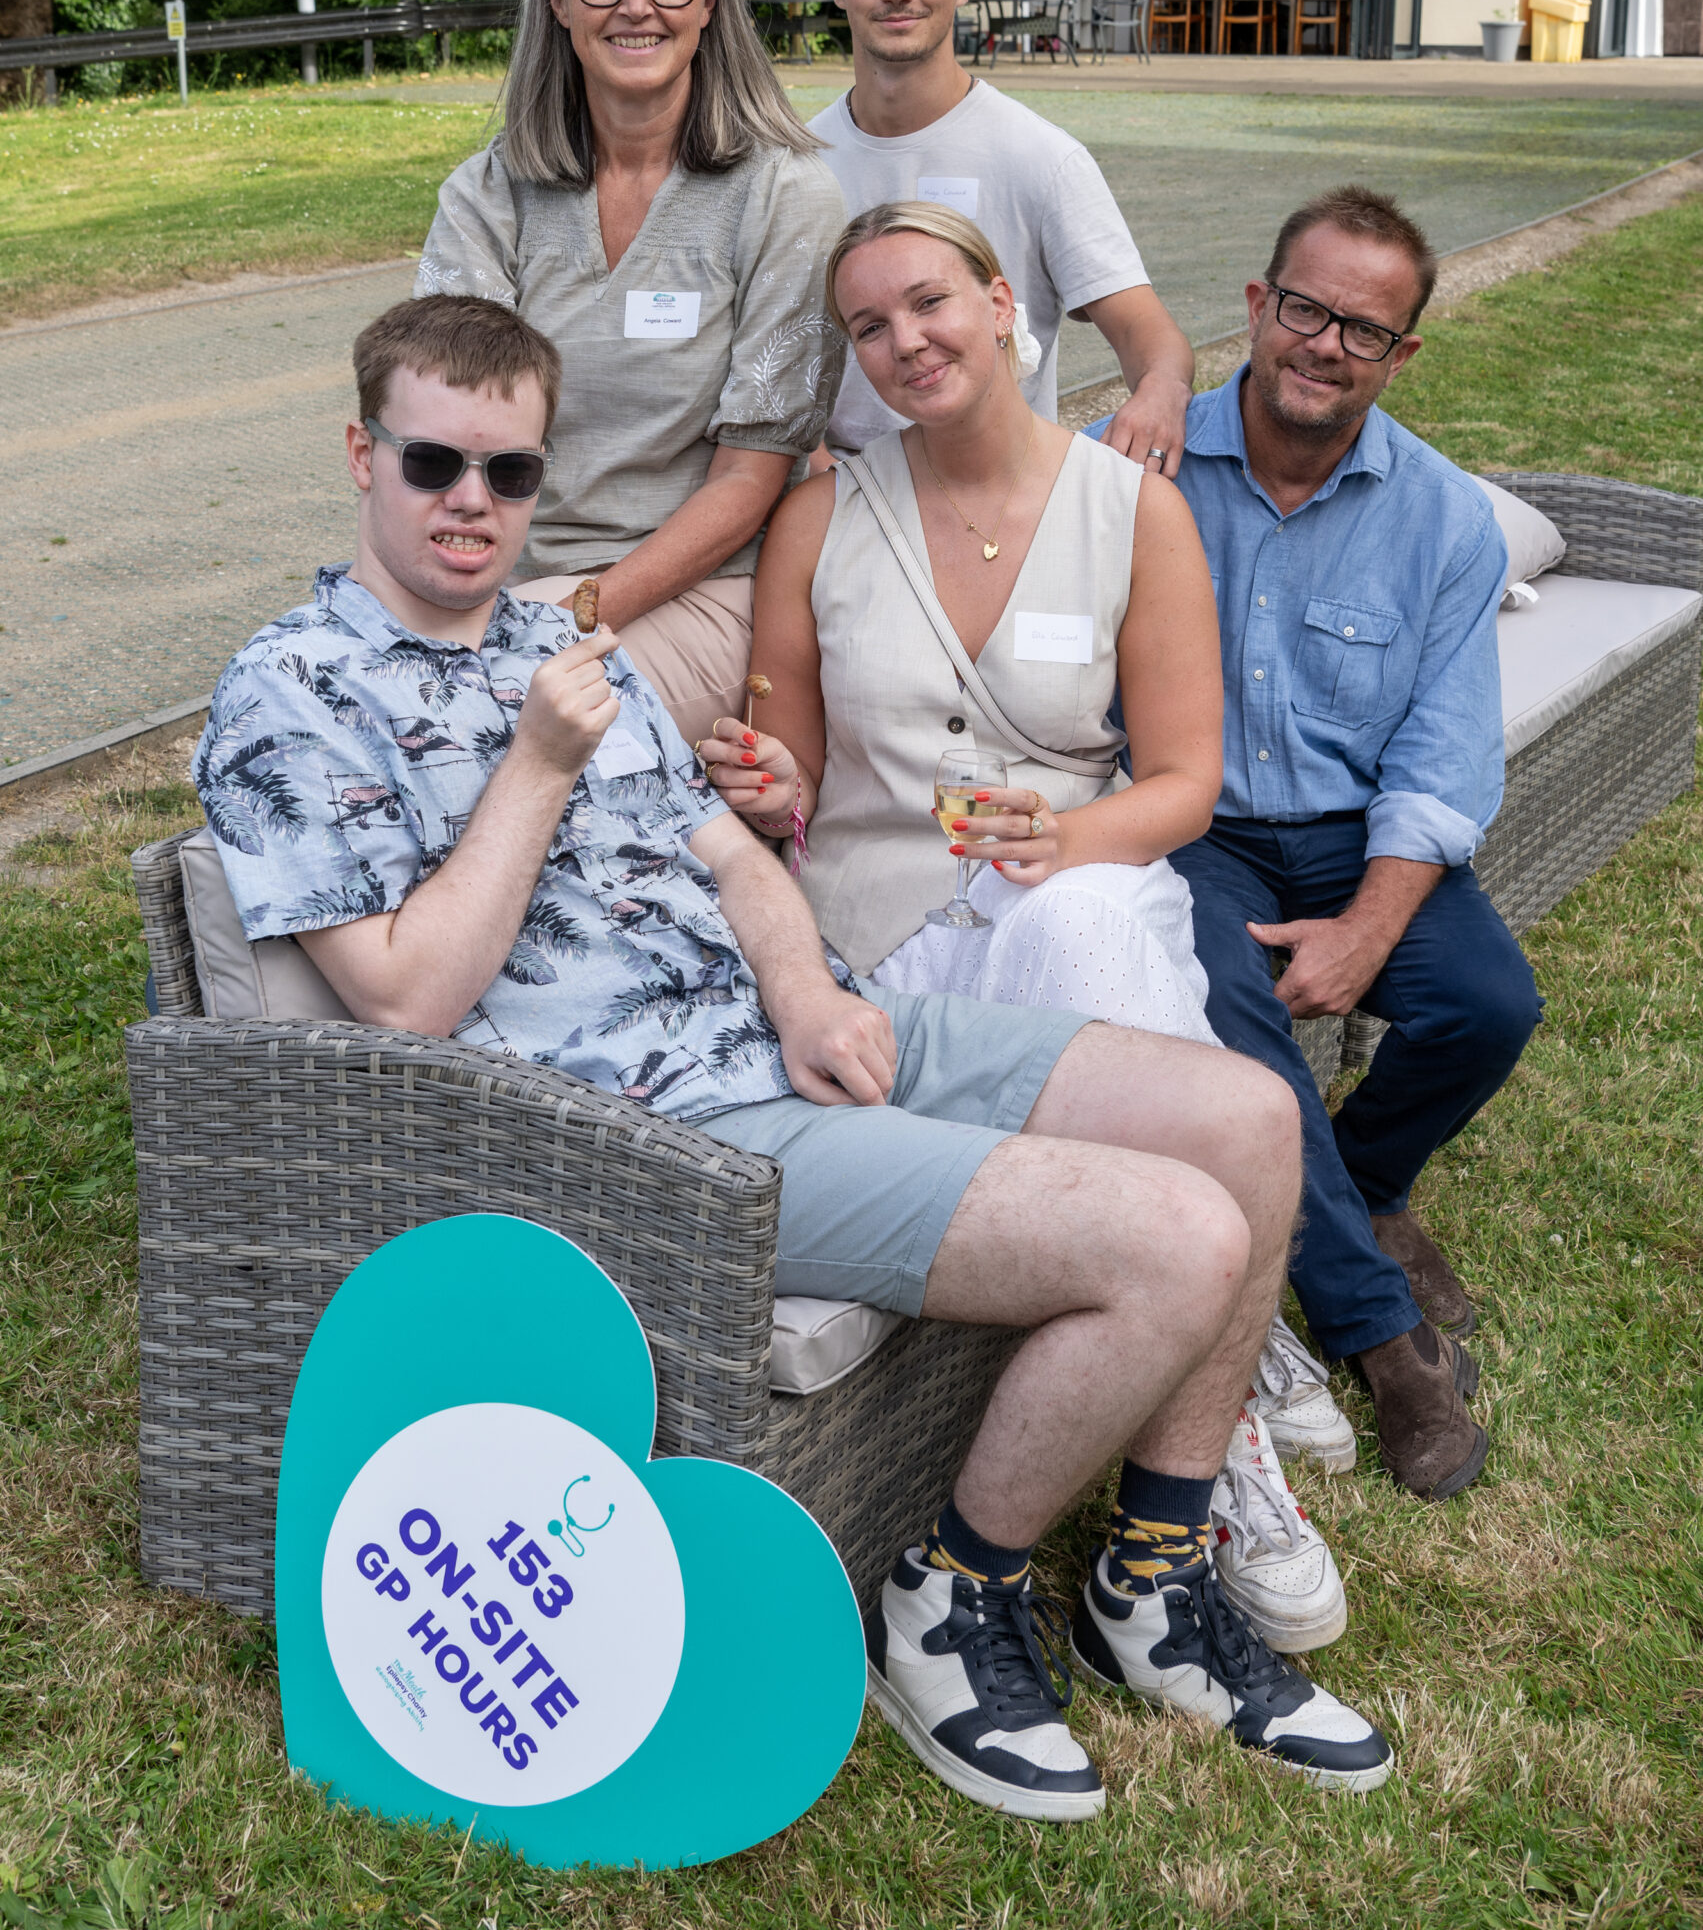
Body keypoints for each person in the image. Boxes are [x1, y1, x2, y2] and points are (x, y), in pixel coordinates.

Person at [196, 291, 1391, 1818]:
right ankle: (947, 1603)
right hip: (646, 1135)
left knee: (1241, 1125)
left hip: (787, 1037)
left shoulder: (564, 642)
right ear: (361, 453)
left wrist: (805, 989)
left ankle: (1149, 1582)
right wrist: (534, 768)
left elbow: (724, 846)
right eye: (436, 465)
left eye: (511, 476)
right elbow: (407, 1001)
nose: (472, 507)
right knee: (1172, 1240)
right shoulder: (287, 695)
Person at [700, 199, 1355, 1654]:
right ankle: (1218, 1375)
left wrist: (1062, 838)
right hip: (878, 933)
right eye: (866, 327)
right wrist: (769, 778)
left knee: (1087, 928)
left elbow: (1183, 783)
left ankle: (1201, 1453)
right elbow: (789, 780)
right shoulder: (822, 514)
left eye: (928, 303)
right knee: (1094, 958)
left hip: (1066, 882)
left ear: (1002, 306)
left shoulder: (1133, 509)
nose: (902, 342)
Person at [1127, 185, 1542, 1503]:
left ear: (1401, 353)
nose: (1322, 344)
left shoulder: (1441, 519)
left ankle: (1357, 1180)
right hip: (1187, 827)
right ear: (1252, 306)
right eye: (1301, 309)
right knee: (1232, 1016)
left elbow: (1441, 755)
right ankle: (1380, 1340)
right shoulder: (1131, 462)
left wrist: (1369, 924)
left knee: (1483, 1005)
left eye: (1361, 330)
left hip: (1355, 834)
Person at [416, 0, 846, 749]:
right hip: (496, 581)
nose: (635, 4)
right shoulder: (491, 193)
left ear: (708, 0)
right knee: (317, 690)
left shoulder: (783, 195)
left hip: (703, 596)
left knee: (468, 721)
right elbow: (442, 432)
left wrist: (569, 615)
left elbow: (749, 479)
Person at [812, 0, 1195, 471]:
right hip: (845, 490)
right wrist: (819, 474)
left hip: (1000, 494)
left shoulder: (1039, 156)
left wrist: (1160, 394)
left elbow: (1149, 337)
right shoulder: (798, 162)